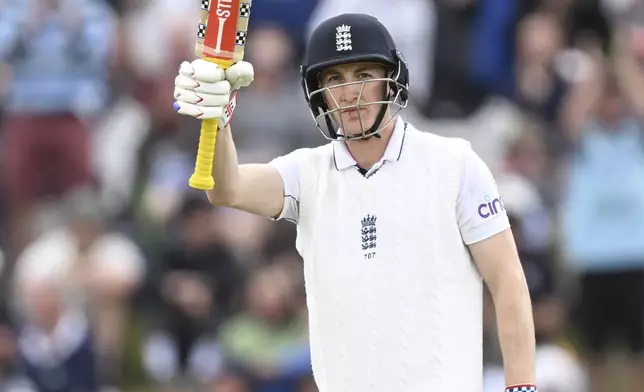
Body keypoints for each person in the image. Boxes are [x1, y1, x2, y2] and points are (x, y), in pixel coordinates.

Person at [173, 13, 537, 392]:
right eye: (334, 79)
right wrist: (216, 115)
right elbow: (225, 188)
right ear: (317, 93)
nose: (349, 93)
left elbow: (507, 279)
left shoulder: (454, 165)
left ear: (392, 81)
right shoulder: (308, 174)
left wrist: (522, 386)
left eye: (364, 75)